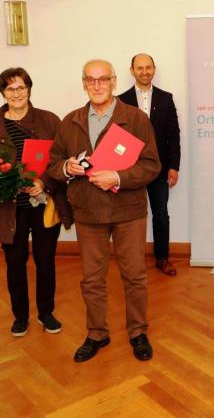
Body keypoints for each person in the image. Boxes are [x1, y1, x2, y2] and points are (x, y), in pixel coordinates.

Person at [47, 59, 161, 363]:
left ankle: (138, 332)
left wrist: (119, 177)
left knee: (135, 275)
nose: (97, 85)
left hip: (128, 210)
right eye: (91, 80)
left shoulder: (136, 119)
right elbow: (53, 164)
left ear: (113, 82)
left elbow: (152, 165)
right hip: (88, 211)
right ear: (84, 83)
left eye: (103, 79)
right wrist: (66, 168)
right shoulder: (70, 121)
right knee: (92, 279)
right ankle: (97, 333)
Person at [0, 67, 71, 337]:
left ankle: (46, 313)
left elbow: (61, 161)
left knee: (45, 260)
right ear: (3, 92)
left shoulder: (50, 121)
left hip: (43, 204)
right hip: (9, 208)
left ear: (29, 88)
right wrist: (6, 182)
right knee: (15, 263)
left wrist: (45, 183)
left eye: (20, 87)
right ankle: (20, 316)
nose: (16, 93)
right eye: (10, 88)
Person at [118, 53, 181, 276]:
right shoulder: (121, 100)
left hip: (159, 168)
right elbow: (115, 136)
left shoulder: (166, 98)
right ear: (131, 70)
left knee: (160, 213)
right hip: (129, 169)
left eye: (148, 67)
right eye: (140, 68)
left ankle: (162, 257)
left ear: (154, 69)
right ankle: (129, 259)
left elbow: (174, 134)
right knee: (129, 215)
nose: (144, 72)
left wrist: (174, 166)